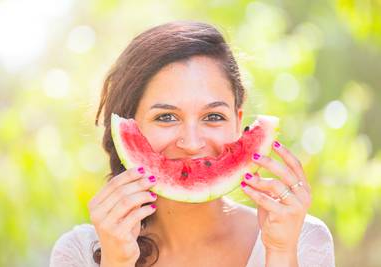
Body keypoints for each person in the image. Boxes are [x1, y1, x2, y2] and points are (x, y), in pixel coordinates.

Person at [50, 21, 335, 267]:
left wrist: (281, 253)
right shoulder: (79, 253)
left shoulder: (302, 240)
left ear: (238, 123)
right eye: (166, 117)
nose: (192, 142)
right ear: (129, 127)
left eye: (213, 116)